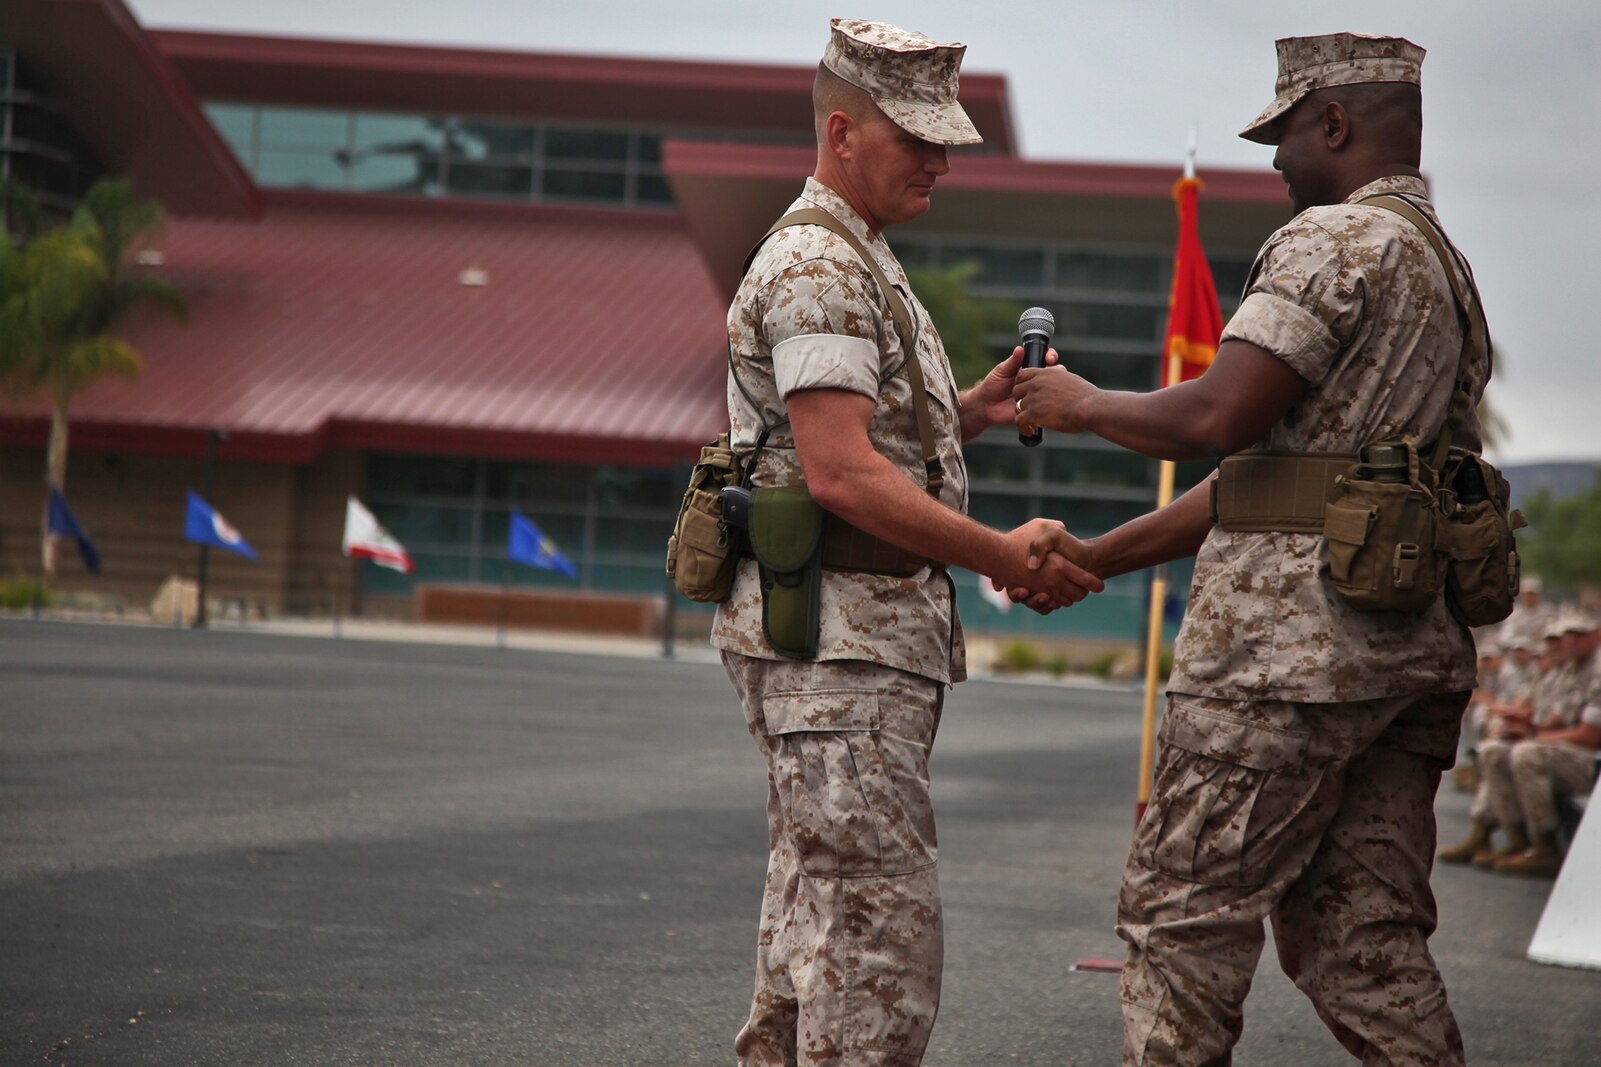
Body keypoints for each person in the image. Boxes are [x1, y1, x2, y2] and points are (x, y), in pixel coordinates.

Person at [1011, 32, 1487, 1066]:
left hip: (1284, 661)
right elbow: (1274, 482)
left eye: (1281, 133)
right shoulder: (1440, 266)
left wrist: (1081, 402)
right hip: (1400, 654)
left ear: (1332, 123)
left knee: (1178, 916)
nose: (1272, 158)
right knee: (1358, 939)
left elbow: (1217, 418)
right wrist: (1097, 554)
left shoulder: (1330, 244)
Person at [712, 19, 1101, 1066]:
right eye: (914, 138)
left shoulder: (856, 255)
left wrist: (964, 411)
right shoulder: (817, 265)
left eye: (944, 138)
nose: (939, 159)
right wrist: (995, 552)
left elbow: (852, 446)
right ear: (841, 131)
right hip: (836, 649)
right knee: (872, 948)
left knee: (813, 927)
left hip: (849, 647)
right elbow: (837, 470)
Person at [1454, 607, 1601, 876]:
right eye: (1564, 635)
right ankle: (1509, 836)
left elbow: (1590, 737)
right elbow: (1557, 719)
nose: (1567, 641)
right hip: (1572, 753)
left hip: (1593, 764)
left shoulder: (1596, 670)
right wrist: (1525, 727)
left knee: (1527, 753)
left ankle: (1545, 846)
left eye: (1578, 634)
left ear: (1597, 635)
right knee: (1495, 749)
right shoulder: (1573, 668)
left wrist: (1533, 735)